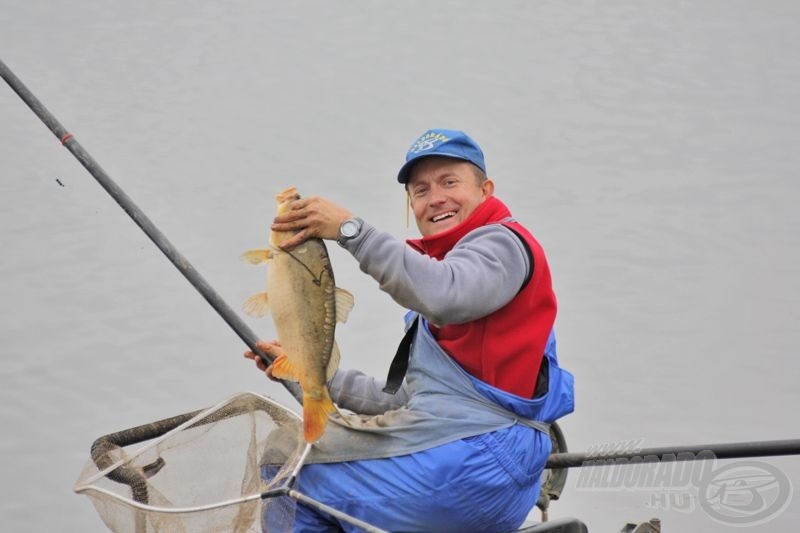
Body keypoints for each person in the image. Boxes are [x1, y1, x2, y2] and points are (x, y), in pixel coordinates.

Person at [245, 129, 574, 532]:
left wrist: (351, 230)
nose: (435, 198)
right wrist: (312, 373)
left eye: (450, 182)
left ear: (486, 189)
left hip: (471, 462)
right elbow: (405, 399)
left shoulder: (500, 246)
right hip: (484, 466)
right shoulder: (451, 273)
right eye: (421, 190)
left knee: (286, 462)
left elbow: (444, 293)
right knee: (312, 457)